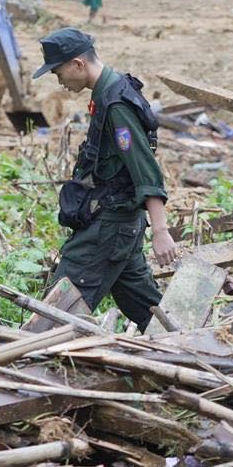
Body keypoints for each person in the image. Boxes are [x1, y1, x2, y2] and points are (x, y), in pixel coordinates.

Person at [33, 27, 176, 329]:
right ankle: (191, 344)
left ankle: (29, 360)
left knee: (56, 311)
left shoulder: (116, 104)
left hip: (111, 227)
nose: (59, 81)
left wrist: (161, 231)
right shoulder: (108, 93)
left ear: (78, 64)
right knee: (153, 314)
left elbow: (144, 168)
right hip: (121, 225)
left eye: (58, 73)